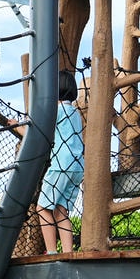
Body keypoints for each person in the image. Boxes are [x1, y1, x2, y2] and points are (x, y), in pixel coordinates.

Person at [37, 70, 84, 254]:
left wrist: (19, 126)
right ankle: (68, 252)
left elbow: (38, 134)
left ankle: (51, 251)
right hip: (77, 167)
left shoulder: (56, 110)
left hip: (60, 166)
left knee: (42, 208)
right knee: (61, 211)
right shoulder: (75, 113)